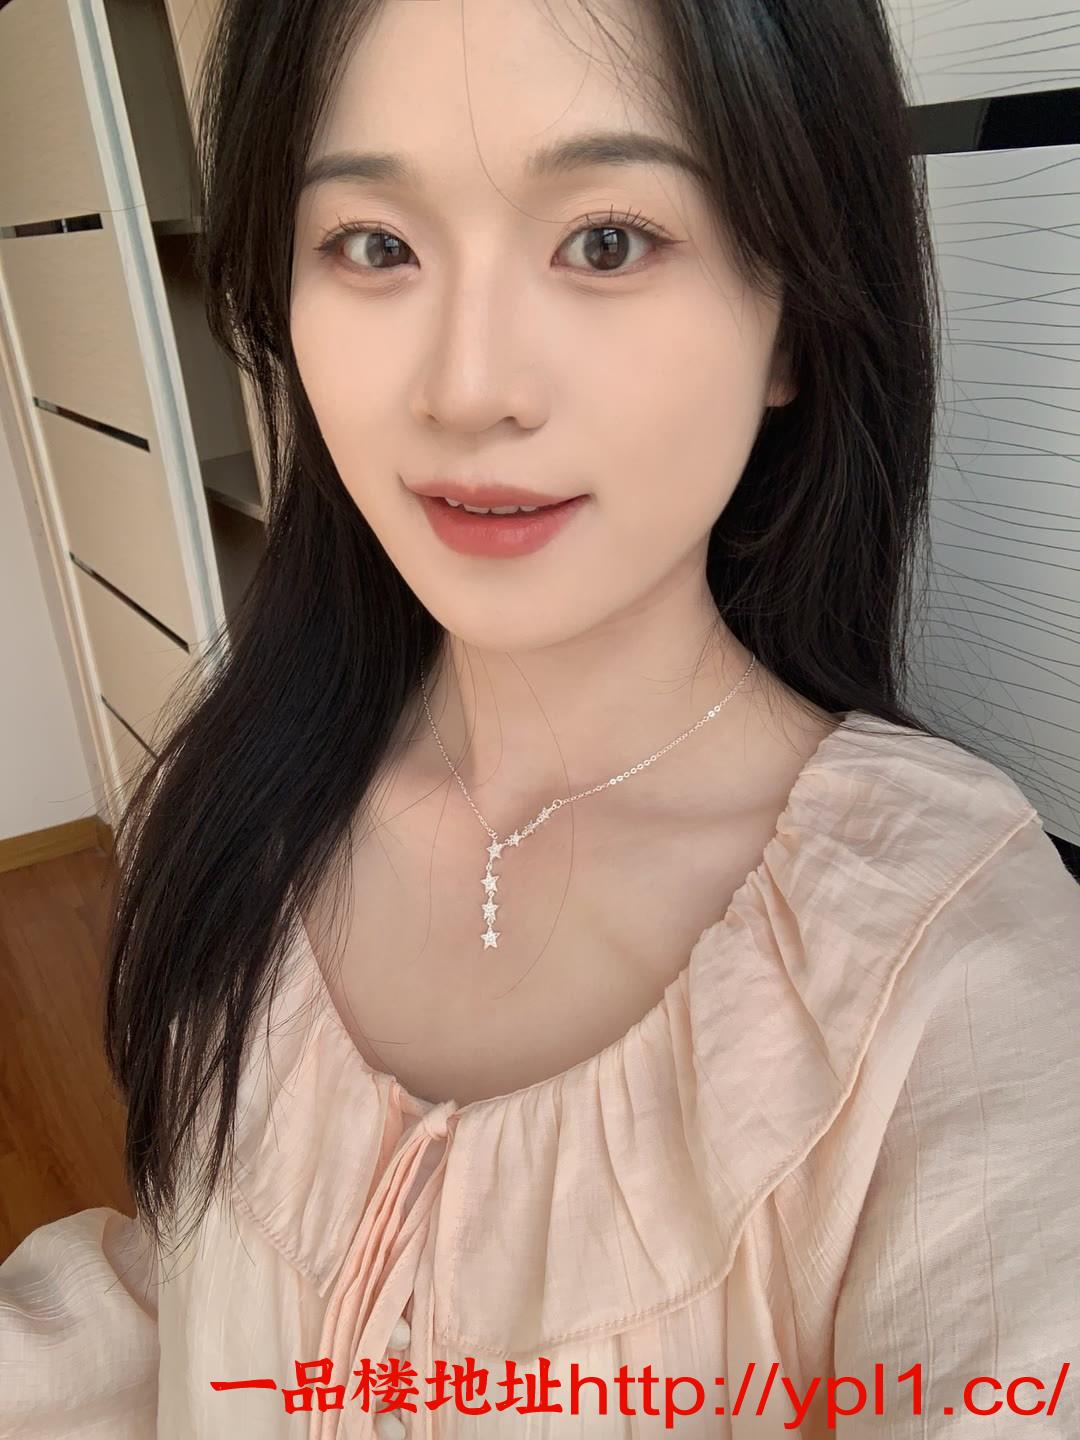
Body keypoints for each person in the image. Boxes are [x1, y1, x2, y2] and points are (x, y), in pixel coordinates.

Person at [3, 0, 1079, 1435]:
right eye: (373, 245)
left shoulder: (947, 957)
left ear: (795, 322)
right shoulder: (253, 793)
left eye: (607, 241)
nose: (469, 390)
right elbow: (202, 1287)